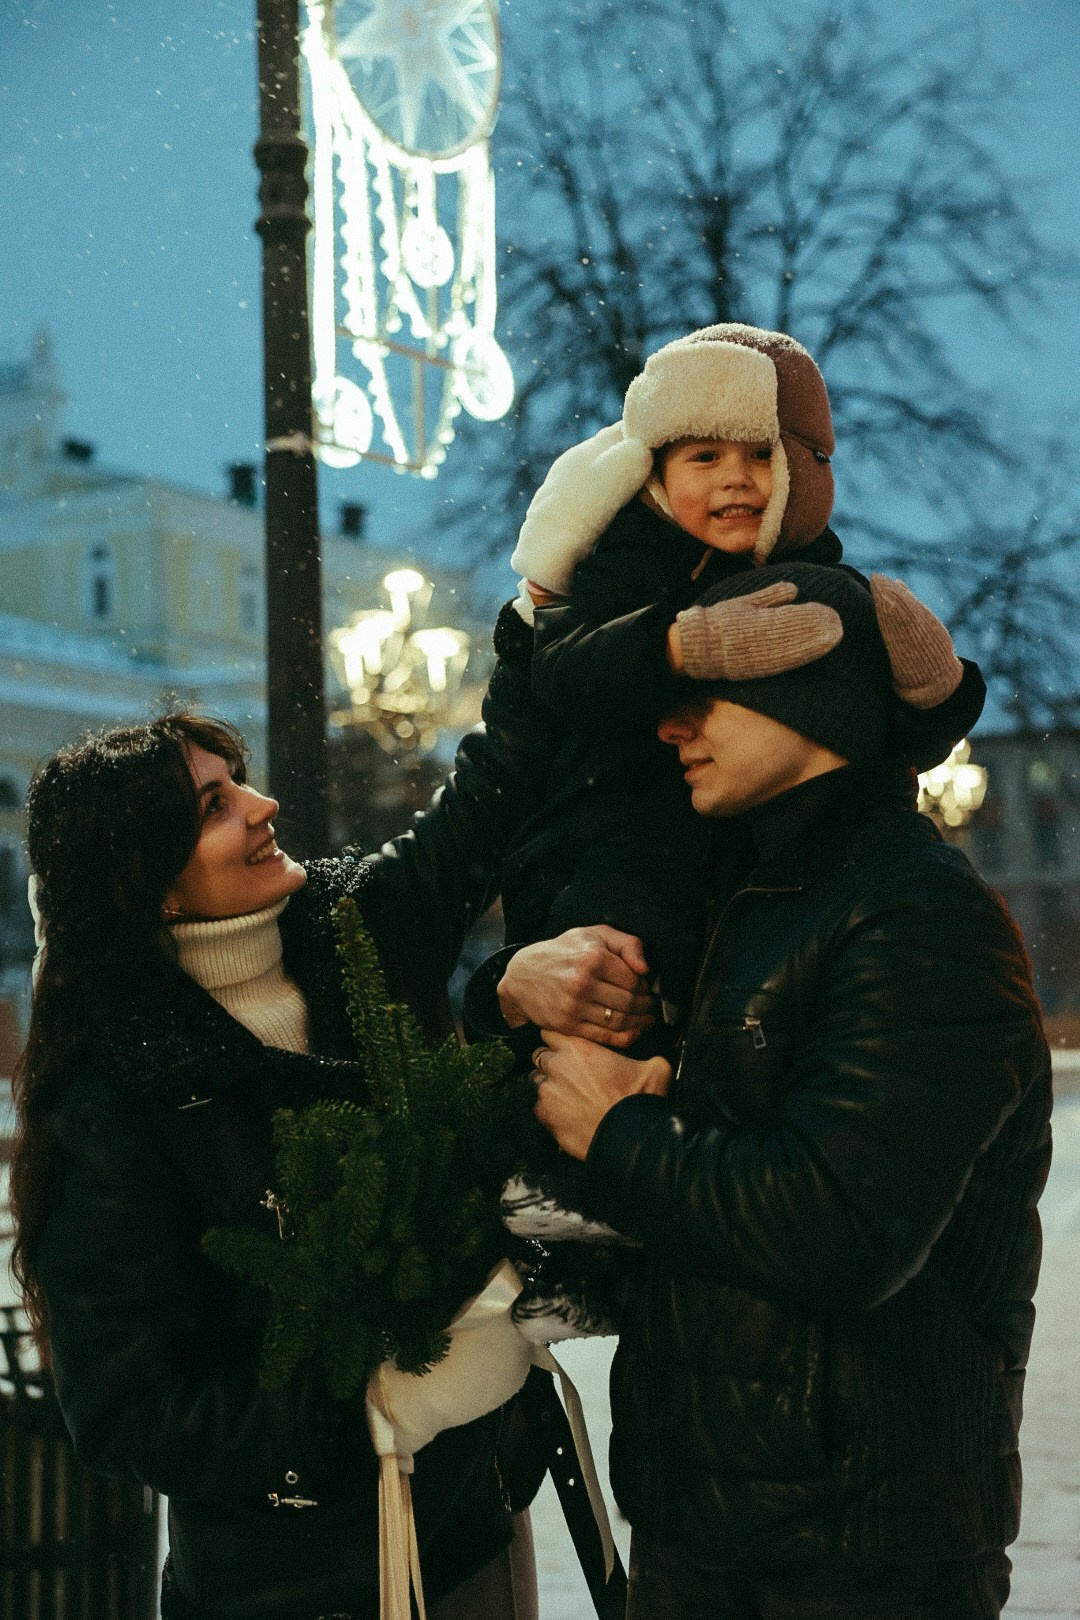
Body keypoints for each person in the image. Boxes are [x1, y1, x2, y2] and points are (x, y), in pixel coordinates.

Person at [8, 601, 573, 1620]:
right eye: (215, 806)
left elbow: (492, 797)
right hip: (293, 1586)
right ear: (151, 886)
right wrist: (372, 1409)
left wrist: (547, 614)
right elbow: (133, 1410)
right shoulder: (122, 1098)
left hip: (474, 1527)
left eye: (240, 782)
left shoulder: (355, 933)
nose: (264, 805)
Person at [523, 562, 1053, 1619]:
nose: (670, 728)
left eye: (704, 695)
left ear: (810, 700)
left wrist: (618, 1127)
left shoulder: (915, 913)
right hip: (716, 1524)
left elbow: (844, 1229)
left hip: (859, 1551)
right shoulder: (758, 895)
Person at [494, 323, 985, 1021]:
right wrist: (671, 648)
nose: (737, 477)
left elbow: (866, 733)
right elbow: (564, 672)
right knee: (625, 965)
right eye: (704, 455)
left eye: (762, 454)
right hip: (610, 828)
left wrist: (940, 697)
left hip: (743, 846)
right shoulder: (623, 563)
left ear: (803, 468)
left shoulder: (815, 581)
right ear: (656, 475)